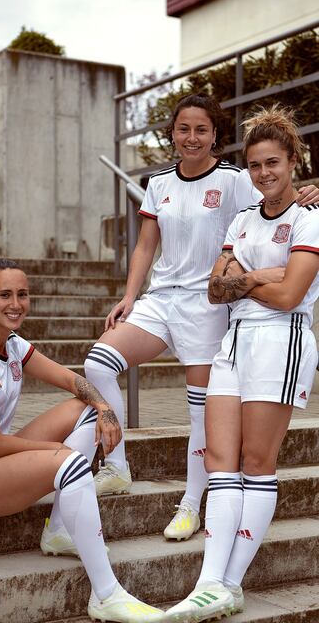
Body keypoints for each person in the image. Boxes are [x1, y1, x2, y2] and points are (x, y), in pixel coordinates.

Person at [83, 93, 319, 541]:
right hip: (162, 298)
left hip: (208, 305)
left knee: (201, 414)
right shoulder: (157, 183)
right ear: (172, 134)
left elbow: (278, 195)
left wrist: (313, 191)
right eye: (183, 129)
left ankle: (191, 504)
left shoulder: (235, 179)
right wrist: (130, 296)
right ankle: (116, 467)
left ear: (215, 136)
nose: (191, 138)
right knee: (98, 362)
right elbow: (146, 246)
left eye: (202, 130)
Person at [165, 104, 319, 622]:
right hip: (232, 344)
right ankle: (210, 584)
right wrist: (263, 276)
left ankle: (231, 581)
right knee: (219, 464)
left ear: (293, 161)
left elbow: (294, 293)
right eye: (254, 166)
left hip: (283, 341)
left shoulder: (310, 216)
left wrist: (249, 278)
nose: (263, 174)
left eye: (273, 163)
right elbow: (214, 289)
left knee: (256, 464)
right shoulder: (242, 218)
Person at [0, 259, 164, 623]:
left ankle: (57, 530)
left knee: (84, 410)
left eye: (22, 295)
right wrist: (57, 451)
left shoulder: (14, 345)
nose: (15, 304)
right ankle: (107, 595)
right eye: (4, 295)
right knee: (68, 462)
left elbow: (72, 382)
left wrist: (103, 407)